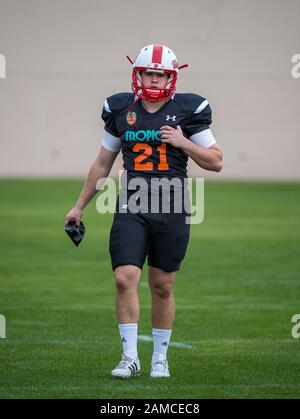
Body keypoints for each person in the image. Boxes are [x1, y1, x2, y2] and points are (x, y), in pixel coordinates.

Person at [65, 44, 223, 379]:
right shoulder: (121, 109)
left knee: (162, 285)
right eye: (149, 72)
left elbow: (216, 161)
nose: (154, 78)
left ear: (172, 77)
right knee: (124, 278)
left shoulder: (188, 110)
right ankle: (129, 357)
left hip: (173, 204)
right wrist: (79, 206)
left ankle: (160, 359)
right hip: (131, 203)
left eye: (161, 74)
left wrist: (184, 143)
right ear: (137, 74)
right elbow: (102, 163)